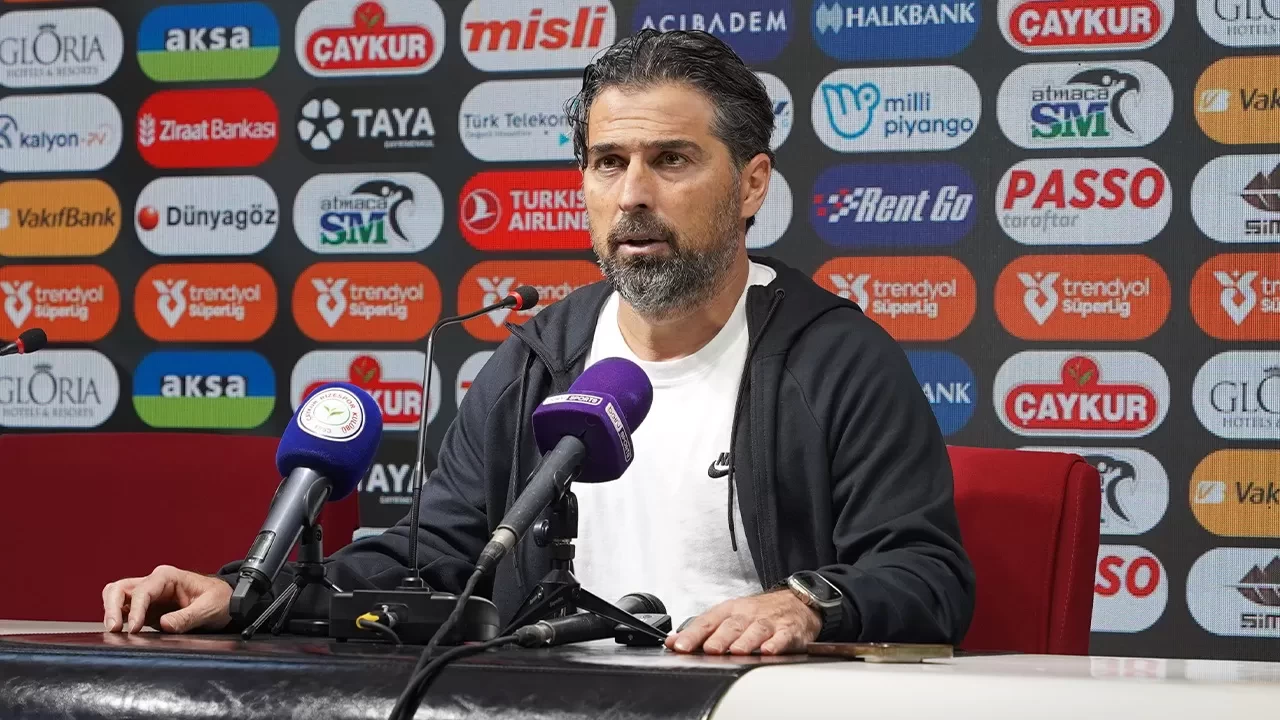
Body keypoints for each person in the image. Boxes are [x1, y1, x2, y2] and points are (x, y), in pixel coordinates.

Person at [102, 29, 975, 656]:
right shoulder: (540, 358)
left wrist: (806, 602)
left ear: (751, 186)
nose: (633, 195)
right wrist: (242, 593)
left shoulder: (834, 358)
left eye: (671, 160)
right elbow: (437, 556)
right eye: (608, 162)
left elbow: (927, 574)